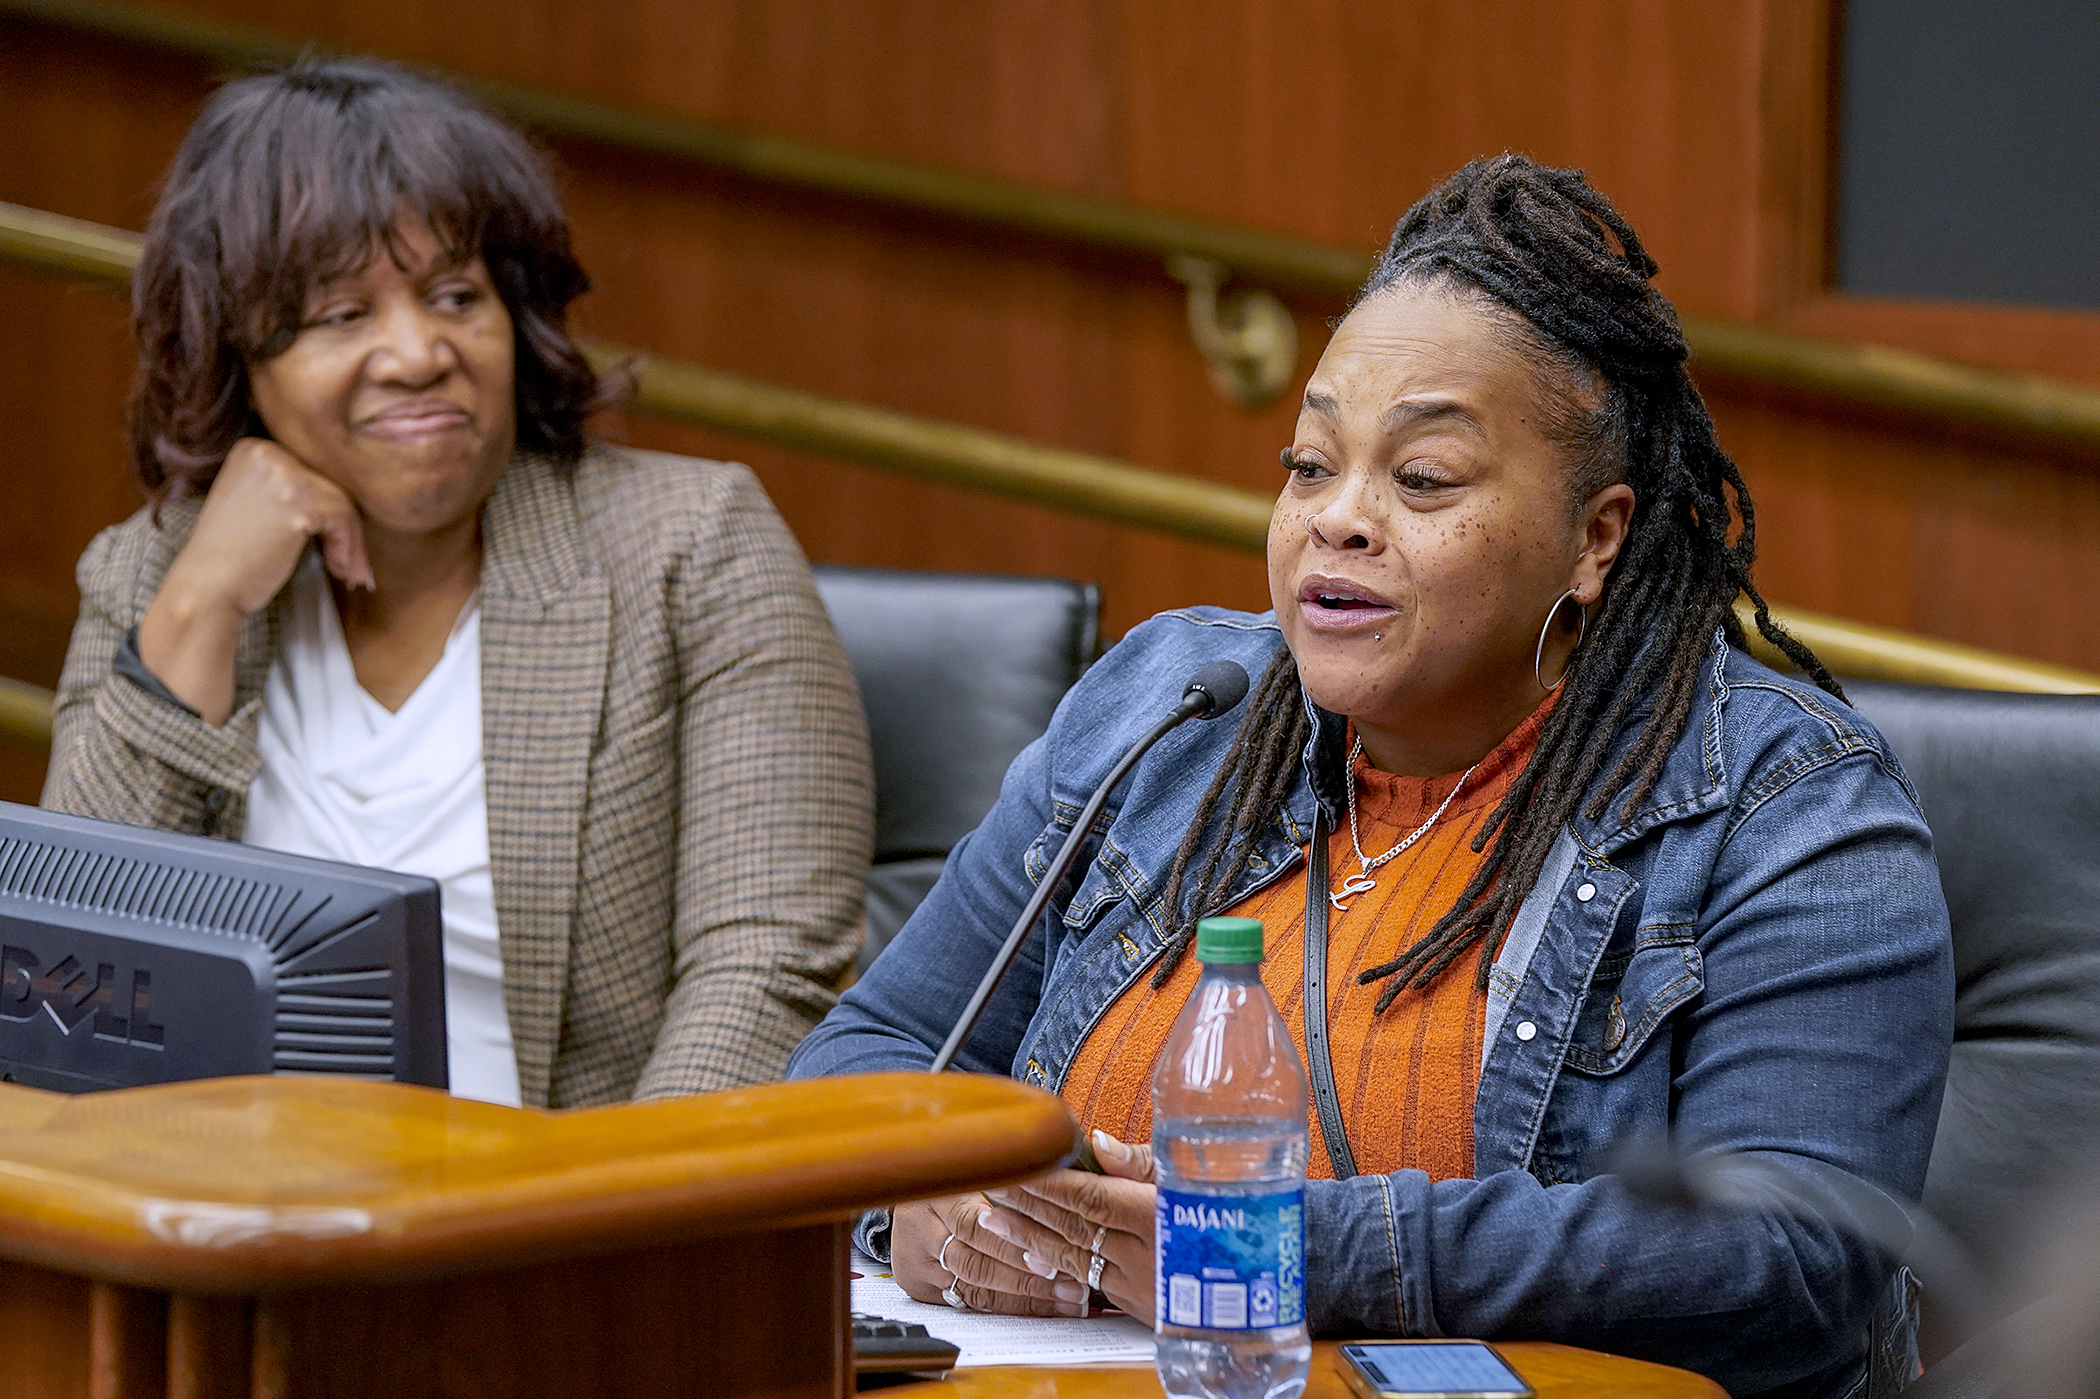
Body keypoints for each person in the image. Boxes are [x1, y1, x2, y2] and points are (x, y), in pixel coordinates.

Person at [788, 156, 1953, 1399]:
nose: (1335, 521)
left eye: (1423, 479)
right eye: (1307, 464)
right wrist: (915, 1199)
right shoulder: (1170, 708)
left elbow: (1789, 1254)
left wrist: (1273, 1249)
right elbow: (875, 1050)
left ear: (1596, 535)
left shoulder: (1791, 804)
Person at [44, 58, 874, 1108]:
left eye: (454, 296)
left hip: (567, 1222)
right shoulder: (155, 572)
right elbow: (68, 999)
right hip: (226, 1226)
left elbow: (765, 972)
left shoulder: (690, 547)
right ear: (238, 356)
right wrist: (203, 602)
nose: (417, 352)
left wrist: (608, 1236)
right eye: (342, 314)